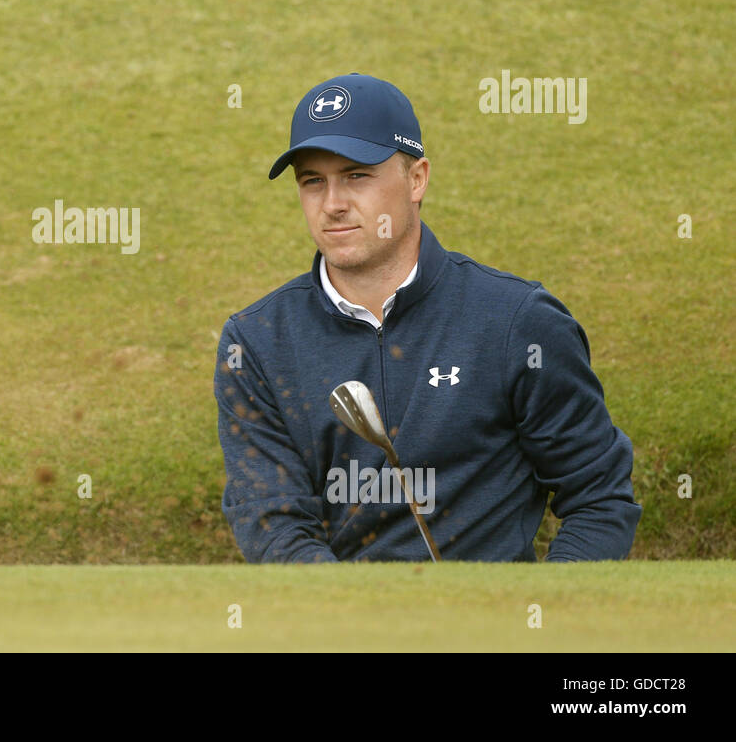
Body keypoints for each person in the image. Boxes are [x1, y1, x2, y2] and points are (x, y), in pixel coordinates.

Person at [214, 73, 642, 562]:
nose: (332, 204)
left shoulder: (516, 321)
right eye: (313, 182)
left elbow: (599, 499)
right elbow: (273, 523)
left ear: (416, 179)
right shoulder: (256, 342)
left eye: (357, 175)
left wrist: (538, 621)